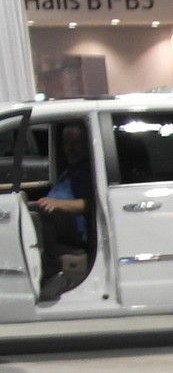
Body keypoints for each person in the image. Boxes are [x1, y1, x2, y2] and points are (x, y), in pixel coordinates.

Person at [30, 120, 95, 302]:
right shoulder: (71, 169)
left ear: (87, 144)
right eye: (67, 143)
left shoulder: (90, 170)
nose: (70, 148)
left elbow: (92, 204)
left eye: (76, 143)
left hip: (74, 224)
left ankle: (53, 274)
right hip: (59, 218)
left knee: (43, 215)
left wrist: (58, 204)